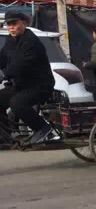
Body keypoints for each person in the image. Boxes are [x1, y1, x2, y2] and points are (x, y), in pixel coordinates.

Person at [0, 10, 59, 145]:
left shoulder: (31, 42)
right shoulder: (10, 40)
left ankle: (43, 128)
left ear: (24, 23)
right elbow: (2, 58)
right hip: (22, 85)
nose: (11, 27)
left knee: (16, 103)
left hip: (40, 86)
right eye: (9, 24)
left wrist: (4, 75)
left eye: (14, 24)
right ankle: (7, 135)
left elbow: (21, 64)